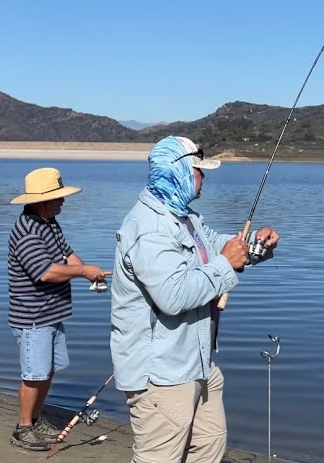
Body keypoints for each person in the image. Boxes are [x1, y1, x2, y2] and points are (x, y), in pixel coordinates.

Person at [110, 136, 280, 463]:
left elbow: (219, 248)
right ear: (180, 173)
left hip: (196, 363)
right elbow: (172, 296)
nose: (204, 178)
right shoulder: (149, 228)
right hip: (161, 375)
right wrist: (225, 263)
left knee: (210, 443)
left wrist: (258, 246)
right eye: (199, 171)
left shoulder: (185, 218)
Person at [7, 166, 109, 451]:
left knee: (47, 371)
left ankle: (36, 419)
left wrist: (89, 269)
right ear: (41, 200)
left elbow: (67, 254)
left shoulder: (49, 223)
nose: (63, 201)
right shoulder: (26, 230)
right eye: (58, 197)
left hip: (52, 313)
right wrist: (83, 272)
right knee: (34, 374)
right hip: (32, 317)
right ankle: (23, 428)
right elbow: (46, 272)